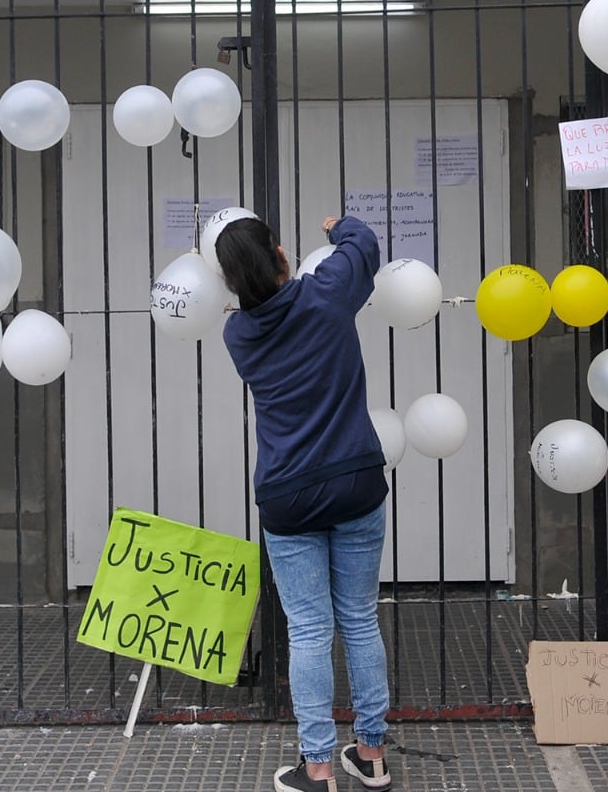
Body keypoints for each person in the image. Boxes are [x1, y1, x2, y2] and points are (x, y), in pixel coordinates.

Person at [215, 213, 393, 792]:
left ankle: (317, 767)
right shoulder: (328, 295)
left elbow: (264, 301)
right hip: (355, 481)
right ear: (282, 254)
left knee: (310, 630)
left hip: (289, 495)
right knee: (360, 620)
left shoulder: (238, 336)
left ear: (230, 282)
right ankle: (370, 754)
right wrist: (338, 224)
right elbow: (363, 243)